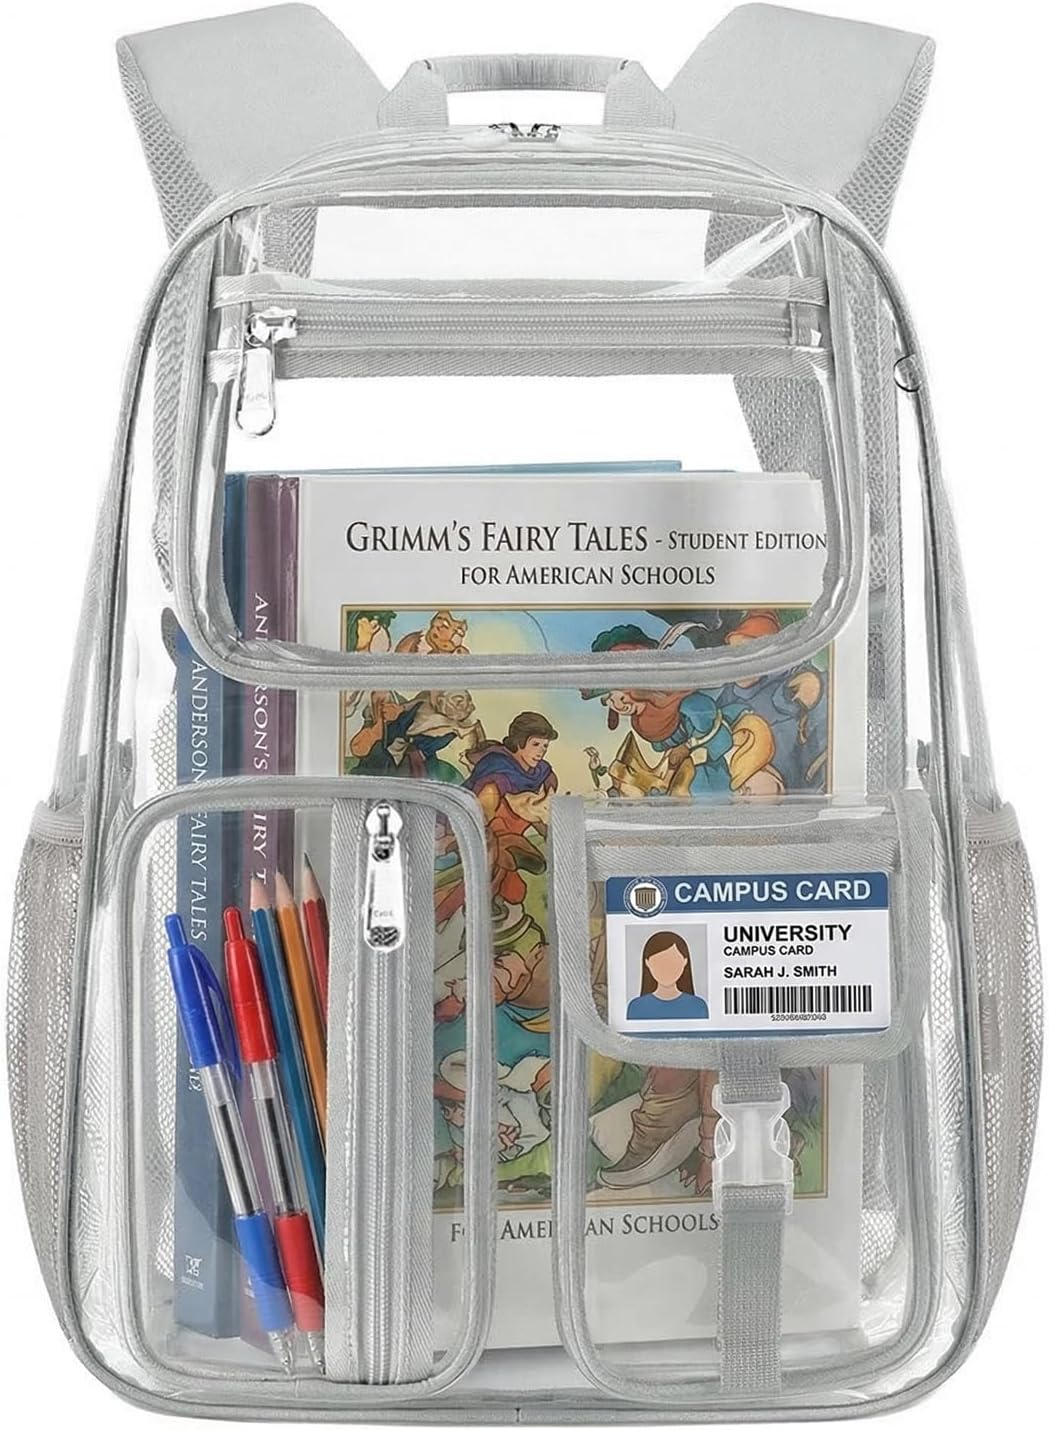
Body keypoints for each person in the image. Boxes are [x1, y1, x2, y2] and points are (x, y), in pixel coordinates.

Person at [626, 930, 709, 1020]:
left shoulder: (698, 1006)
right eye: (659, 962)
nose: (666, 969)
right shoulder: (636, 1007)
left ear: (685, 961)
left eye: (672, 961)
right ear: (647, 963)